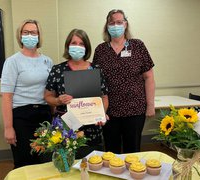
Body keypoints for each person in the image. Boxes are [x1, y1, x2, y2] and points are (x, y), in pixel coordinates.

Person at [93, 9, 155, 154]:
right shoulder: (101, 50)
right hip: (109, 111)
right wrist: (97, 110)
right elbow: (95, 82)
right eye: (112, 22)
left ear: (125, 24)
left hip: (135, 109)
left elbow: (149, 77)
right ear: (107, 26)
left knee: (132, 151)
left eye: (119, 22)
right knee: (111, 151)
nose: (116, 25)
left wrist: (150, 105)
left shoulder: (137, 46)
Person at [44, 29, 108, 159]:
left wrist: (101, 114)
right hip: (66, 128)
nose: (77, 46)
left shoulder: (96, 69)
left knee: (92, 166)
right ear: (68, 46)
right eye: (74, 43)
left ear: (86, 47)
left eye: (81, 43)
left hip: (92, 129)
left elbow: (104, 97)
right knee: (67, 165)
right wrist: (58, 101)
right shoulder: (57, 70)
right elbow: (47, 96)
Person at [0, 19, 53, 168]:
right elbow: (6, 97)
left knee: (46, 161)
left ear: (39, 35)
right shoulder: (12, 62)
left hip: (44, 115)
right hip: (22, 116)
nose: (30, 35)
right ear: (20, 36)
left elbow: (50, 91)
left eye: (33, 32)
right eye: (26, 32)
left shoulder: (47, 61)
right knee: (25, 162)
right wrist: (8, 127)